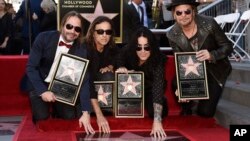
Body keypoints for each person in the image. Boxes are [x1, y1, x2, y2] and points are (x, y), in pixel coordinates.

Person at [26, 11, 95, 134]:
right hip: (40, 81)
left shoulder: (81, 49)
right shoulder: (43, 37)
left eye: (77, 29)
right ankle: (42, 107)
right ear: (62, 25)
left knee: (69, 116)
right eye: (69, 26)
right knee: (42, 117)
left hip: (63, 86)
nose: (72, 31)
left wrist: (86, 112)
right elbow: (31, 68)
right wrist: (43, 91)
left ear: (80, 32)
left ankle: (58, 109)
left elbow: (84, 81)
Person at [166, 0, 233, 117]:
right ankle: (187, 107)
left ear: (193, 12)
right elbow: (181, 61)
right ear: (174, 15)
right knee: (175, 84)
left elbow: (228, 47)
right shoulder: (172, 34)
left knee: (205, 113)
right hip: (193, 71)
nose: (183, 16)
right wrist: (182, 90)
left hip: (214, 71)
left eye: (187, 12)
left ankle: (201, 100)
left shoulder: (209, 24)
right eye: (179, 13)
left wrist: (212, 55)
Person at [116, 26, 168, 138]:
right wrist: (121, 67)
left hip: (150, 89)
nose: (143, 52)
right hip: (130, 90)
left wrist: (157, 121)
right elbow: (119, 59)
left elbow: (157, 86)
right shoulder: (127, 51)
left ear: (152, 47)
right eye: (139, 48)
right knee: (122, 112)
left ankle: (163, 103)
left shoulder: (158, 58)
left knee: (156, 113)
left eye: (147, 48)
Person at [85, 16, 118, 133]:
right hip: (85, 91)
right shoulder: (85, 49)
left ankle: (108, 109)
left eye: (108, 32)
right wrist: (99, 115)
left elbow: (120, 58)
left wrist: (111, 66)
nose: (104, 35)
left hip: (101, 93)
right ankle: (96, 110)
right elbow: (87, 82)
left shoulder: (111, 48)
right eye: (100, 31)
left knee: (109, 75)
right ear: (93, 33)